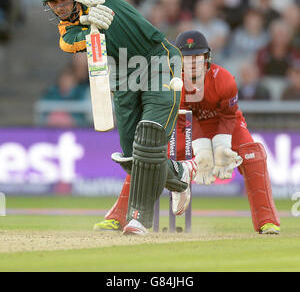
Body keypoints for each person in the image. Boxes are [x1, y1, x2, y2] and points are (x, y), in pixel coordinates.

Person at [39, 0, 198, 236]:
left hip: (156, 58)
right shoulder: (67, 34)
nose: (59, 7)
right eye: (53, 3)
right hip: (123, 73)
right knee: (131, 157)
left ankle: (138, 219)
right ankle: (179, 174)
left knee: (149, 134)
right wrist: (91, 28)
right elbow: (74, 42)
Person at [98, 31, 280, 235]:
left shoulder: (225, 79)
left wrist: (220, 148)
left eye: (197, 57)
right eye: (187, 57)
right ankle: (118, 217)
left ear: (206, 57)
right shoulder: (170, 82)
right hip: (187, 125)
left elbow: (230, 116)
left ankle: (267, 221)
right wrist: (203, 152)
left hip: (225, 124)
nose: (193, 62)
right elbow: (184, 119)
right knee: (146, 155)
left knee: (252, 153)